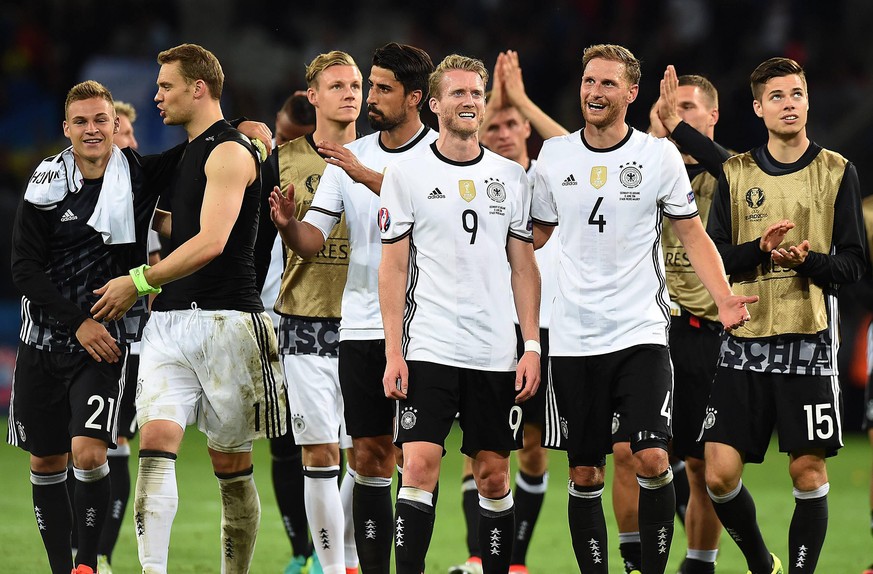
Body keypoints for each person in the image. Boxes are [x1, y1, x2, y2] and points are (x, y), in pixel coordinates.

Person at [530, 44, 755, 574]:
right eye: (589, 81)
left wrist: (723, 298)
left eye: (608, 84)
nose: (594, 91)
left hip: (641, 331)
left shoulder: (657, 157)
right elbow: (533, 236)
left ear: (632, 93)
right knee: (585, 473)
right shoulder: (555, 157)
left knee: (652, 457)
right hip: (573, 336)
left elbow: (692, 232)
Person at [90, 43, 287, 574]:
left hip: (228, 322)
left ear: (198, 88)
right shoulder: (190, 152)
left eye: (165, 86)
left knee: (231, 465)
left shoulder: (229, 151)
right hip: (170, 323)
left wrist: (137, 280)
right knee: (155, 441)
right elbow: (182, 224)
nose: (156, 97)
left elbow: (212, 240)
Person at [270, 42, 437, 574]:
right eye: (367, 83)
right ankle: (346, 567)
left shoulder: (443, 152)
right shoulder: (350, 158)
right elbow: (314, 239)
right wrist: (288, 226)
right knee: (366, 456)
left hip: (430, 327)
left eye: (378, 87)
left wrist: (367, 175)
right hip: (360, 323)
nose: (366, 95)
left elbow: (440, 211)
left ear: (414, 98)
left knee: (418, 460)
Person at [9, 80, 185, 574]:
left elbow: (202, 144)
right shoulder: (44, 183)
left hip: (105, 344)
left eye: (100, 120)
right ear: (66, 129)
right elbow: (24, 270)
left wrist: (248, 132)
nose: (91, 129)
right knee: (46, 462)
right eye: (81, 121)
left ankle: (88, 564)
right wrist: (77, 321)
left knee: (88, 455)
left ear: (116, 127)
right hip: (42, 341)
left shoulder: (140, 176)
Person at [703, 56, 867, 574]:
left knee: (808, 473)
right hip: (744, 340)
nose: (788, 104)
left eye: (795, 94)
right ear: (757, 108)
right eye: (776, 96)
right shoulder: (735, 172)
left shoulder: (837, 170)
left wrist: (808, 261)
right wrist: (759, 251)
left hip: (809, 340)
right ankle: (761, 562)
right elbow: (717, 255)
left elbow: (854, 263)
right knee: (719, 476)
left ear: (807, 101)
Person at [379, 53, 541, 574]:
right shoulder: (405, 174)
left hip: (494, 351)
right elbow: (393, 268)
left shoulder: (510, 177)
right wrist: (392, 352)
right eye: (459, 94)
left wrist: (531, 346)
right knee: (419, 466)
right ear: (434, 104)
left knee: (494, 474)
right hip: (428, 345)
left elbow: (524, 268)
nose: (470, 101)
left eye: (476, 93)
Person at [449, 49, 567, 574]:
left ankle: (512, 561)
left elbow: (576, 150)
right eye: (492, 123)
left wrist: (518, 98)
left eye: (511, 122)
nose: (500, 130)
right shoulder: (476, 177)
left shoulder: (544, 176)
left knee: (534, 449)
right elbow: (458, 132)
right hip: (484, 328)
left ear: (526, 129)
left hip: (547, 328)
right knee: (480, 451)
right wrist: (493, 97)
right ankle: (480, 558)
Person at [612, 67, 730, 574]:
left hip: (705, 336)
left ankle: (699, 564)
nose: (673, 117)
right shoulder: (644, 170)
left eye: (686, 109)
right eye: (668, 108)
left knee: (703, 466)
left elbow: (730, 165)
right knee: (627, 452)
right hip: (646, 331)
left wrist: (669, 130)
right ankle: (637, 560)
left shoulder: (735, 175)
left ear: (713, 116)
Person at [269, 50, 363, 574]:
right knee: (321, 455)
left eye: (356, 85)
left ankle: (348, 554)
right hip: (305, 322)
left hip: (372, 325)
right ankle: (332, 569)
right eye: (337, 85)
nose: (350, 93)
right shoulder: (283, 161)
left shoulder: (385, 158)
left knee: (374, 457)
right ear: (313, 96)